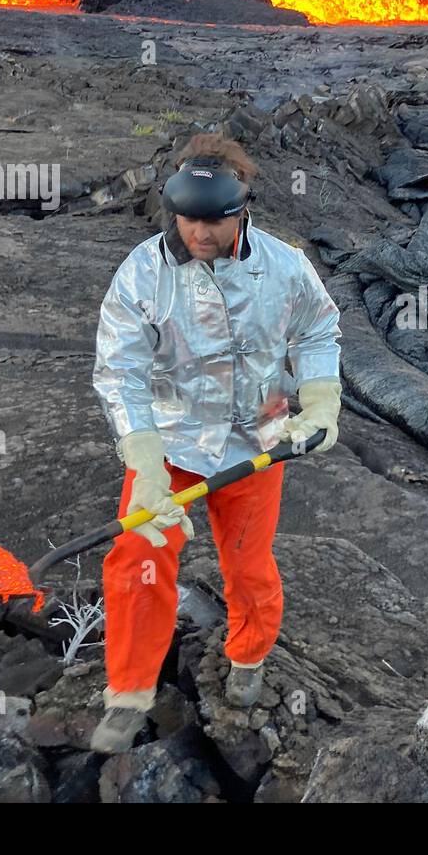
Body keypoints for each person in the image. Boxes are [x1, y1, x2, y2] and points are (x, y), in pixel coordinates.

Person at [88, 134, 342, 754]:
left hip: (258, 441)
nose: (200, 233)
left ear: (242, 209)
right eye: (189, 219)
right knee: (138, 559)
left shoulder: (284, 266)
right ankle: (128, 693)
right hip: (170, 446)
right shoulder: (141, 275)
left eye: (215, 220)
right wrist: (144, 464)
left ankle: (249, 655)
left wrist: (321, 398)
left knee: (248, 563)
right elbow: (121, 373)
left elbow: (317, 328)